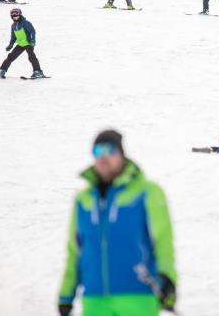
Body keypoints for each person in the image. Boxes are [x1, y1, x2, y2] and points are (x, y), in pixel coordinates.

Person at [58, 130, 177, 316]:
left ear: (122, 154)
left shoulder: (147, 192)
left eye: (110, 150)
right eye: (98, 151)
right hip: (94, 299)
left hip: (138, 296)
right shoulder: (83, 200)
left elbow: (162, 240)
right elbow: (75, 249)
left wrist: (168, 278)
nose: (104, 157)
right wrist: (66, 294)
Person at [0, 8, 44, 79]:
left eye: (17, 15)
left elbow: (32, 31)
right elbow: (13, 36)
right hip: (21, 44)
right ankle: (3, 70)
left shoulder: (26, 23)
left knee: (31, 57)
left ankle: (37, 71)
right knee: (11, 57)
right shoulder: (13, 26)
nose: (15, 17)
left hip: (28, 43)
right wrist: (11, 44)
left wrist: (32, 40)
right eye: (13, 16)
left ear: (20, 15)